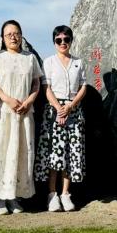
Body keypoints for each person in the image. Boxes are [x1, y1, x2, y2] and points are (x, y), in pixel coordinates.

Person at [0, 20, 43, 214]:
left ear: (21, 35)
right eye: (9, 34)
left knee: (21, 152)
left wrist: (29, 101)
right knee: (0, 151)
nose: (13, 37)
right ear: (3, 38)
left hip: (24, 112)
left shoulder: (30, 58)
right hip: (3, 112)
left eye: (16, 33)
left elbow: (36, 84)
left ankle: (15, 197)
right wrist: (8, 99)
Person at [35, 25, 87, 212]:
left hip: (74, 110)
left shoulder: (78, 62)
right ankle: (52, 194)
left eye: (66, 39)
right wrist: (59, 109)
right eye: (59, 40)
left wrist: (71, 106)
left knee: (71, 152)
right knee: (54, 153)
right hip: (54, 111)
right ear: (54, 42)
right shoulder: (48, 62)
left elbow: (83, 86)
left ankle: (65, 193)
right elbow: (46, 88)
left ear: (71, 41)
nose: (63, 43)